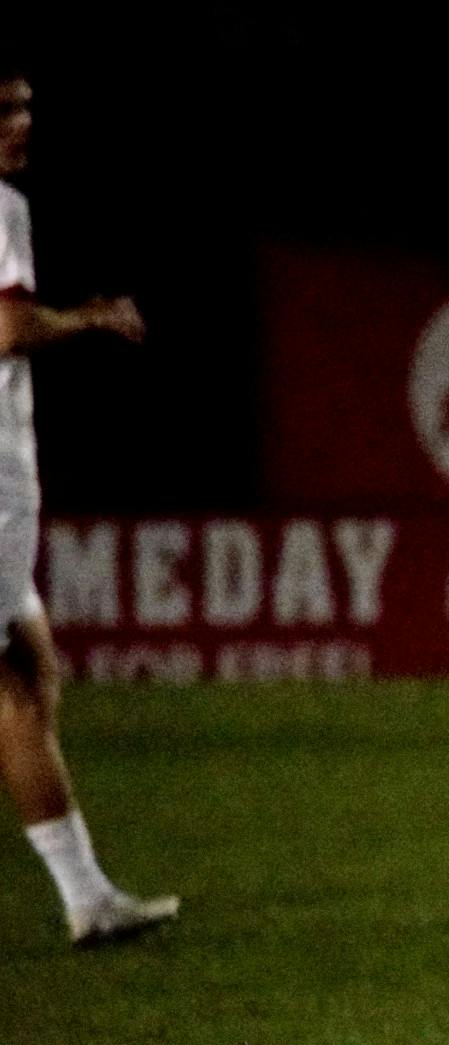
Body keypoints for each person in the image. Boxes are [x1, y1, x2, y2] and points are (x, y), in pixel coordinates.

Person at [0, 65, 179, 945]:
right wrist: (96, 317)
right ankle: (84, 897)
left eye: (26, 108)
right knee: (17, 681)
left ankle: (86, 895)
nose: (20, 125)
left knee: (32, 666)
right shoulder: (2, 207)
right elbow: (9, 326)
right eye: (3, 112)